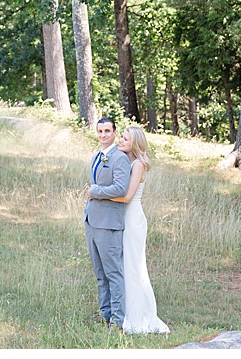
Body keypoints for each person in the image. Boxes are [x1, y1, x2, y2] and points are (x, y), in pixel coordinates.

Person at [104, 126, 169, 334]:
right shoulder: (127, 161)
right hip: (124, 219)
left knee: (134, 267)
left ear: (135, 143)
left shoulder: (138, 164)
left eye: (125, 138)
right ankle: (126, 312)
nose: (120, 140)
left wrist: (98, 194)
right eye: (121, 137)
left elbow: (127, 196)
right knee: (125, 266)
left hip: (133, 220)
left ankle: (139, 317)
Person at [84, 116, 130, 330]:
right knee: (100, 273)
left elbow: (121, 188)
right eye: (100, 131)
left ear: (114, 133)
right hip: (92, 222)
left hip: (109, 223)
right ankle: (105, 314)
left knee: (113, 273)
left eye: (107, 131)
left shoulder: (119, 158)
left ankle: (118, 321)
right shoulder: (97, 156)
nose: (103, 135)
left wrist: (96, 192)